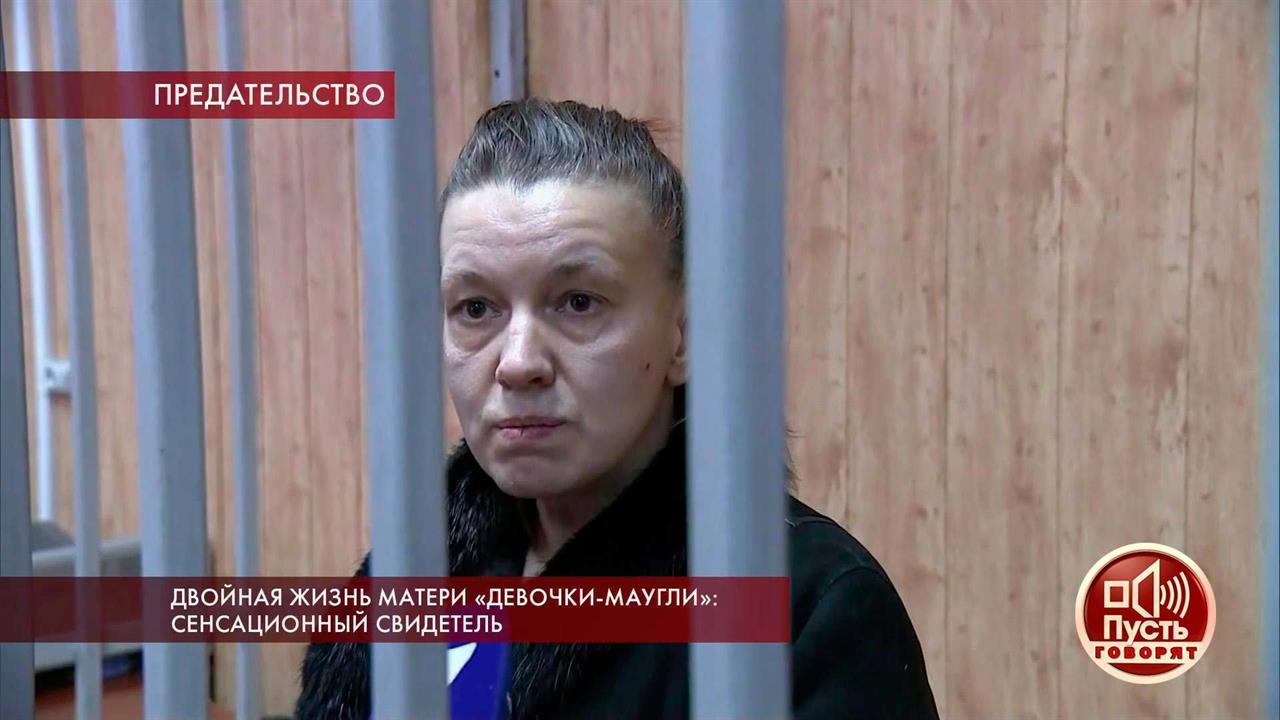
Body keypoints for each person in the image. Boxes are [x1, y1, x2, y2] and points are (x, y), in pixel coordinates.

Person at [295, 98, 938, 719]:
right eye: (476, 308)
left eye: (578, 302)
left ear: (683, 334)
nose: (517, 362)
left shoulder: (809, 610)